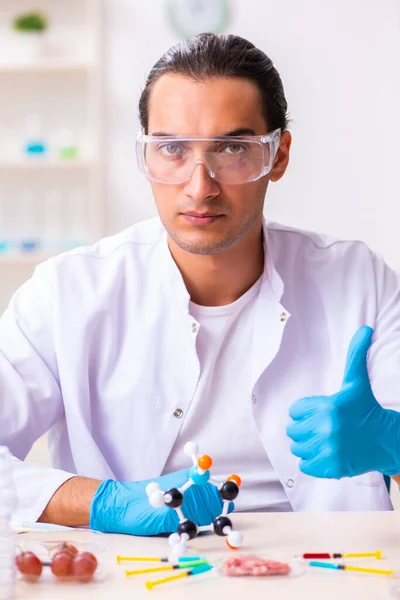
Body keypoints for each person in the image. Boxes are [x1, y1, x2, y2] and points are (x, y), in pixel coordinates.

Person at [1, 33, 400, 537]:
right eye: (171, 149)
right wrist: (101, 501)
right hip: (136, 578)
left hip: (334, 575)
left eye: (233, 148)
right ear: (144, 155)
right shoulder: (67, 294)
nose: (199, 185)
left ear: (277, 156)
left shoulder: (359, 280)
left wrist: (392, 442)